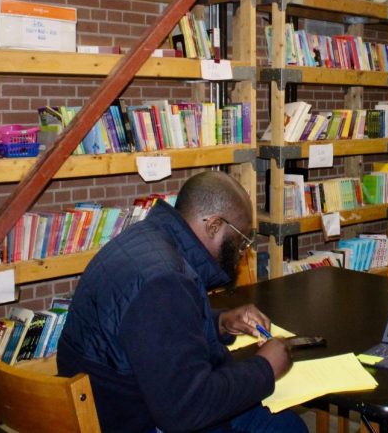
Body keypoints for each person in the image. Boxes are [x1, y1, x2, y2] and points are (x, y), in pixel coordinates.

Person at [57, 171, 306, 433]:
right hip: (140, 419)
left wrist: (220, 323)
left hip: (121, 401)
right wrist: (265, 368)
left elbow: (151, 335)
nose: (242, 253)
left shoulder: (144, 241)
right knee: (287, 428)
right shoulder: (164, 283)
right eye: (241, 241)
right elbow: (186, 409)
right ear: (213, 226)